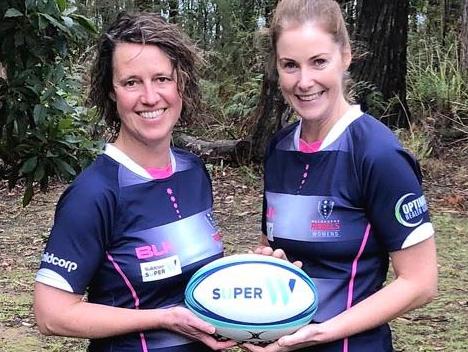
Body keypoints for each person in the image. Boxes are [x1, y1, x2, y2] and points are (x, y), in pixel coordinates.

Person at [33, 12, 236, 352]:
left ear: (180, 83)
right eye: (131, 82)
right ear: (111, 93)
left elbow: (198, 282)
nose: (150, 96)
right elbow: (51, 314)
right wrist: (161, 318)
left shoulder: (193, 171)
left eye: (161, 79)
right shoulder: (94, 193)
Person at [243, 0, 438, 351]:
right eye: (290, 65)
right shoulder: (279, 148)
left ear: (345, 56)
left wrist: (321, 332)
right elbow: (271, 248)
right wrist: (270, 267)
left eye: (319, 62)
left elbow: (421, 282)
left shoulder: (378, 154)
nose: (304, 82)